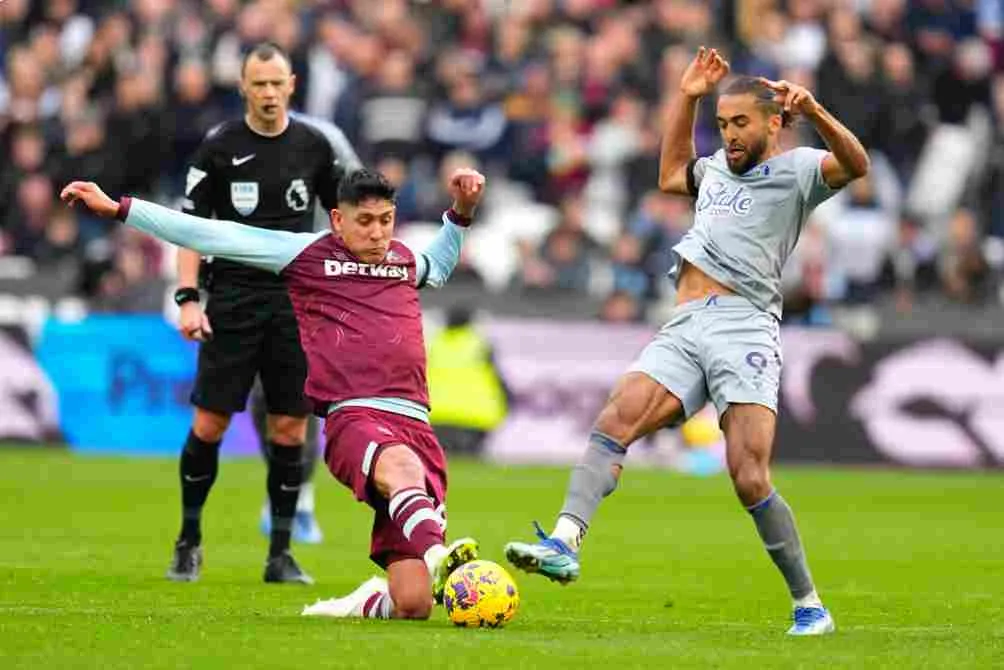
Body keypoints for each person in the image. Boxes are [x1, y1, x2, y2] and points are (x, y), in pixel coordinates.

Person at [504, 47, 869, 636]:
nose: (729, 135)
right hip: (685, 321)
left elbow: (857, 165)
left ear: (773, 122)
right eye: (722, 124)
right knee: (616, 417)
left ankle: (809, 604)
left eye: (740, 122)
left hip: (745, 324)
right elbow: (672, 173)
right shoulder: (715, 170)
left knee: (748, 474)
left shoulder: (801, 168)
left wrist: (819, 111)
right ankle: (567, 540)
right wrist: (687, 95)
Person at [61, 165, 486, 620]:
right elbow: (209, 233)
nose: (378, 232)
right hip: (355, 418)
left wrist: (461, 212)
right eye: (365, 221)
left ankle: (365, 602)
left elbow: (438, 265)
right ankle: (443, 559)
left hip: (415, 423)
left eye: (385, 219)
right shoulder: (305, 254)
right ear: (338, 220)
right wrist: (120, 208)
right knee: (401, 468)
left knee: (414, 605)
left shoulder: (403, 260)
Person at [171, 43, 353, 583]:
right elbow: (188, 230)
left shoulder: (314, 147)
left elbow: (343, 219)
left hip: (295, 304)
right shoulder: (219, 148)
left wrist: (346, 286)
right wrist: (187, 298)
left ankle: (280, 553)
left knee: (290, 429)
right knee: (210, 423)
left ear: (292, 84)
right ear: (243, 88)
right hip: (231, 300)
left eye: (277, 83)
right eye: (259, 84)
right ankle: (189, 539)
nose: (269, 94)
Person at [427, 305, 510, 457]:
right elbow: (498, 379)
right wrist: (507, 403)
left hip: (439, 414)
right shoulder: (480, 344)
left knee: (441, 465)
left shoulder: (433, 343)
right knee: (471, 466)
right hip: (475, 416)